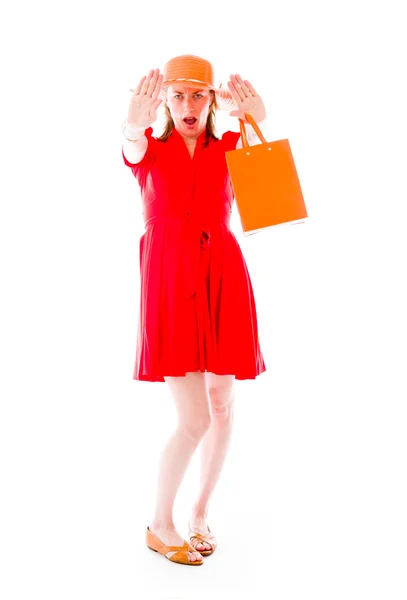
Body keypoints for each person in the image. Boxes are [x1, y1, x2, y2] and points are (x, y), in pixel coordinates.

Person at [122, 55, 267, 566]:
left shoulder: (227, 146)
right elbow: (130, 142)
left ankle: (200, 513)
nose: (188, 105)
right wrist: (131, 120)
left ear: (210, 100)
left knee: (222, 408)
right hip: (169, 283)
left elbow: (267, 182)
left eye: (198, 95)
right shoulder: (151, 150)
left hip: (223, 277)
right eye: (178, 95)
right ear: (165, 100)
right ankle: (160, 524)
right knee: (194, 419)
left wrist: (253, 120)